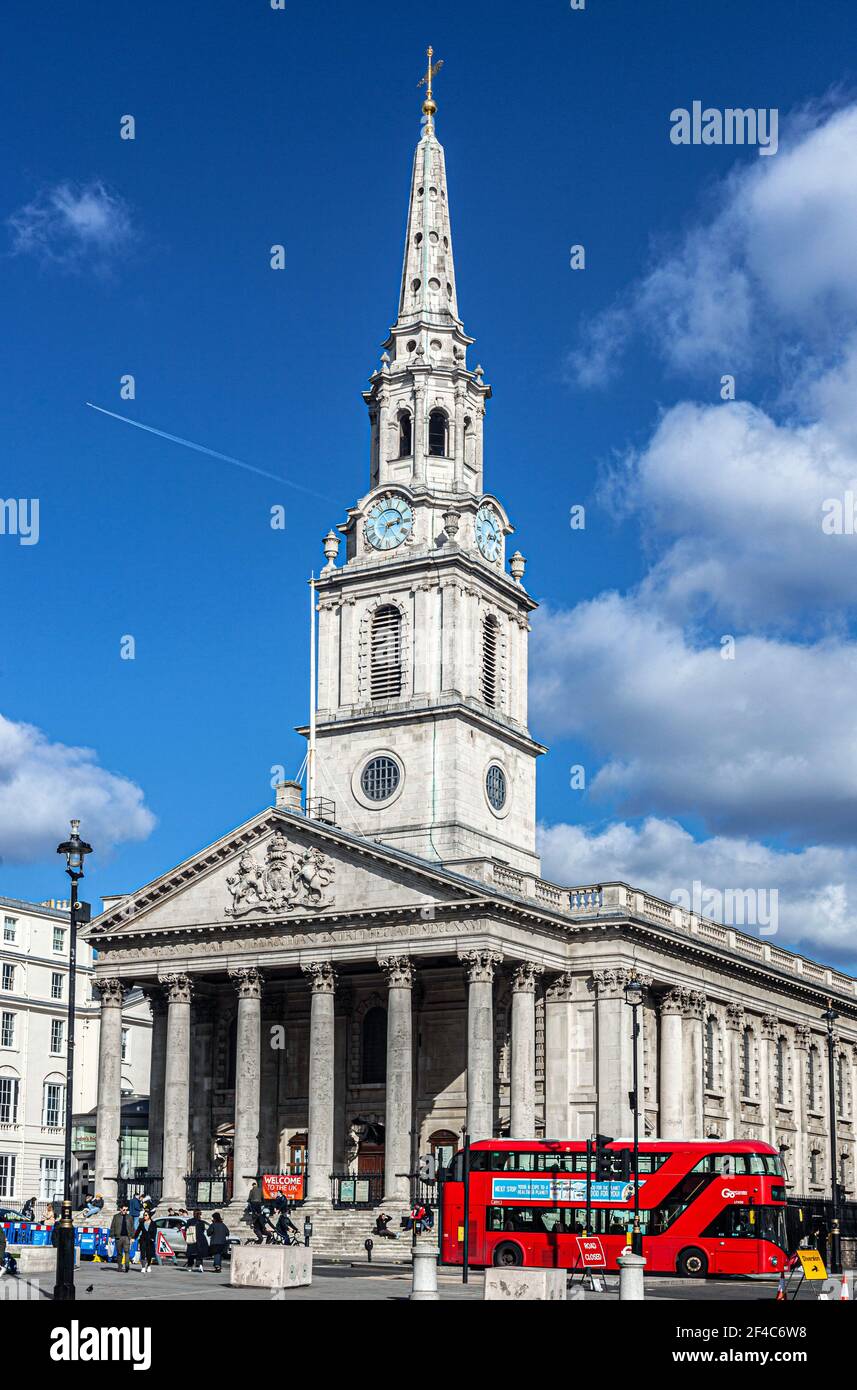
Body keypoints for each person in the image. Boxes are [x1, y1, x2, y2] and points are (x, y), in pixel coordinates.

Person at [110, 1203, 133, 1273]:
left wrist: (132, 1237)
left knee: (127, 1252)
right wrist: (111, 1236)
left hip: (127, 1237)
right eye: (124, 1209)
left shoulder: (130, 1217)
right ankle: (119, 1266)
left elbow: (132, 1228)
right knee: (119, 1253)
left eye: (126, 1210)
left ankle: (127, 1266)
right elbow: (112, 1227)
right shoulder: (116, 1217)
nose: (125, 1211)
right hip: (118, 1237)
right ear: (120, 1209)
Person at [135, 1209, 157, 1276]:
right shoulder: (141, 1223)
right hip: (143, 1240)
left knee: (149, 1255)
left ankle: (149, 1265)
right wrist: (134, 1238)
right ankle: (143, 1267)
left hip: (150, 1240)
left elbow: (154, 1232)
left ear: (149, 1216)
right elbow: (138, 1231)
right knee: (143, 1253)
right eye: (144, 1215)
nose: (144, 1216)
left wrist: (153, 1238)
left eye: (146, 1215)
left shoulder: (153, 1223)